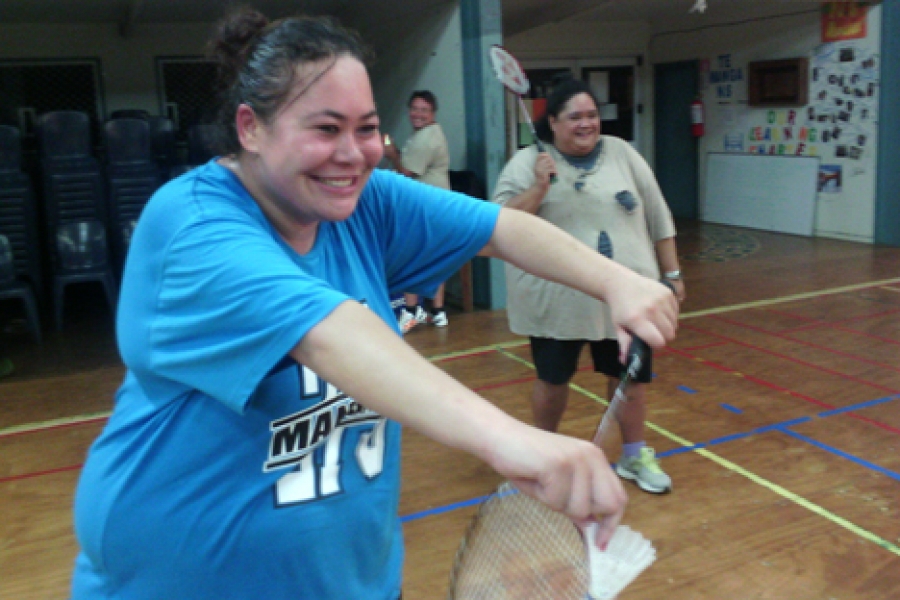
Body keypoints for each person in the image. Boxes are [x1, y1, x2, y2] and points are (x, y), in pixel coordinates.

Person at [70, 11, 678, 600]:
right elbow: (328, 332)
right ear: (251, 128)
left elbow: (501, 229)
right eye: (325, 128)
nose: (353, 153)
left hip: (352, 579)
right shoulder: (193, 226)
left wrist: (615, 281)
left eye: (366, 128)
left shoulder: (364, 201)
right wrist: (508, 440)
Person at [492, 79, 686, 495]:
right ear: (554, 123)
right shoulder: (527, 162)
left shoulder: (622, 153)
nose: (586, 124)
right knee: (552, 380)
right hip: (556, 297)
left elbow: (657, 213)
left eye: (592, 115)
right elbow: (498, 223)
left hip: (627, 295)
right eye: (575, 117)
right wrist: (539, 187)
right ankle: (539, 462)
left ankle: (634, 455)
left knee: (629, 378)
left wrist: (671, 274)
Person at [383, 90, 451, 331]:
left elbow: (406, 173)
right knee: (435, 258)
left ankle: (412, 311)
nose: (417, 114)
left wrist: (391, 154)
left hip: (427, 209)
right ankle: (438, 311)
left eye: (424, 110)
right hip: (435, 206)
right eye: (414, 109)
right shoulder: (425, 134)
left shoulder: (426, 138)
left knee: (411, 257)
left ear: (432, 113)